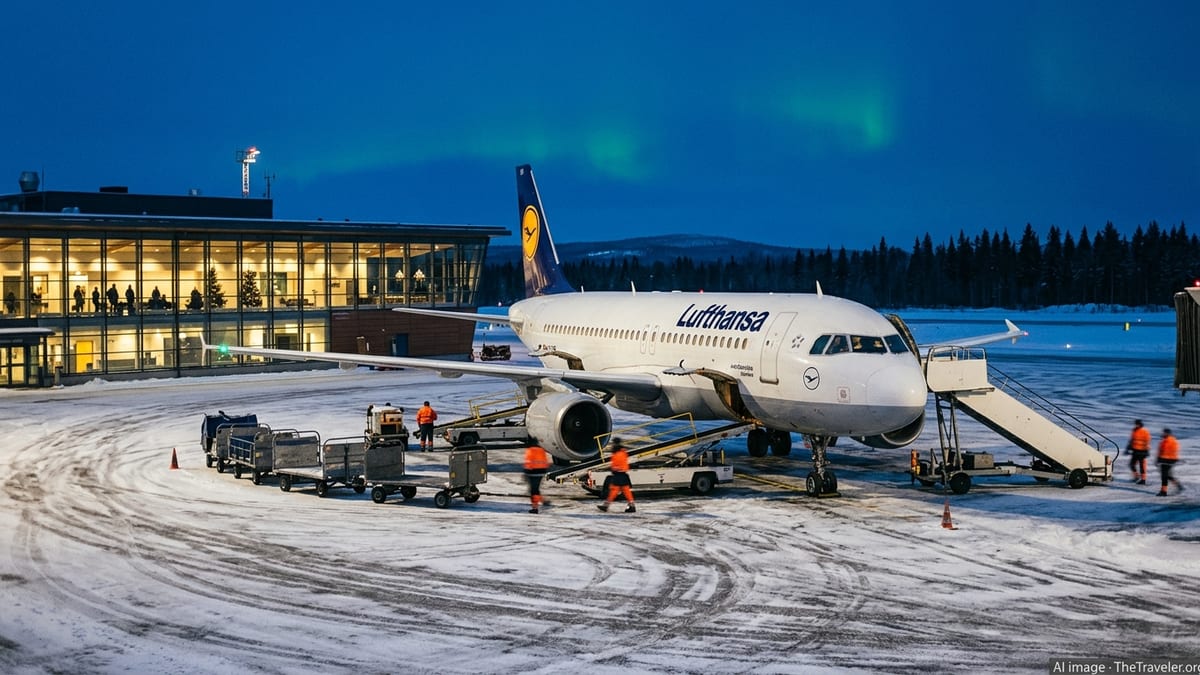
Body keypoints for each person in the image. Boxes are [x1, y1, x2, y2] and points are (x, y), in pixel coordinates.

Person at [597, 437, 636, 513]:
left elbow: (620, 465)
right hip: (621, 475)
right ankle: (631, 505)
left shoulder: (618, 453)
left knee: (615, 490)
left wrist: (616, 468)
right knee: (625, 490)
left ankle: (606, 506)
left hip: (619, 474)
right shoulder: (621, 452)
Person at [524, 438, 551, 514]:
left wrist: (526, 473)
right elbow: (545, 462)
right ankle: (543, 501)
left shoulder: (530, 450)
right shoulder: (541, 450)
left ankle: (535, 508)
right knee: (536, 489)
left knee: (533, 491)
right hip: (541, 473)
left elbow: (528, 463)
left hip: (533, 473)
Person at [1157, 428, 1183, 496]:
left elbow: (1171, 451)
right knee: (1167, 475)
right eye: (1163, 433)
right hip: (1164, 460)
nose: (1162, 434)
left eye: (1164, 433)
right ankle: (1178, 486)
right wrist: (1158, 459)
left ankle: (1164, 491)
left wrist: (1161, 459)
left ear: (1168, 433)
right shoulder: (1164, 441)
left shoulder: (1171, 441)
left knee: (1165, 476)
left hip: (1168, 460)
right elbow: (1160, 451)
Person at [1127, 419, 1151, 484]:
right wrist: (1128, 448)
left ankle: (1143, 480)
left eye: (1137, 424)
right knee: (1131, 465)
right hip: (1135, 451)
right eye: (1136, 424)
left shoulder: (1145, 432)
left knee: (1142, 466)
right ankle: (1136, 477)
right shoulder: (1134, 430)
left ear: (1140, 424)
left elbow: (1147, 442)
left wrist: (1147, 451)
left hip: (1142, 451)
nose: (1136, 425)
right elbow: (1131, 440)